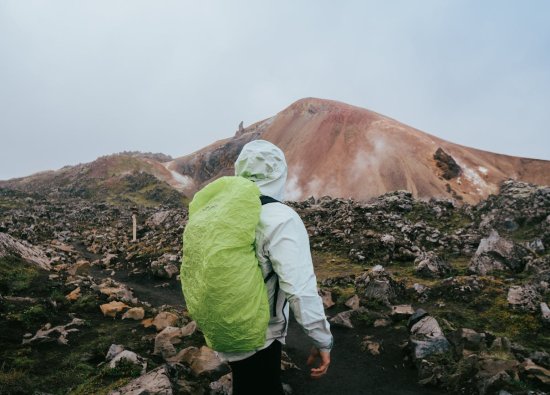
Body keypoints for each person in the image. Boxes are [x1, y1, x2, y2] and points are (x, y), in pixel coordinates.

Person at [217, 139, 333, 395]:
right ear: (279, 174)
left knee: (245, 385)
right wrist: (322, 339)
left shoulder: (221, 212)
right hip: (260, 333)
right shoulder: (279, 218)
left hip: (222, 325)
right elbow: (300, 290)